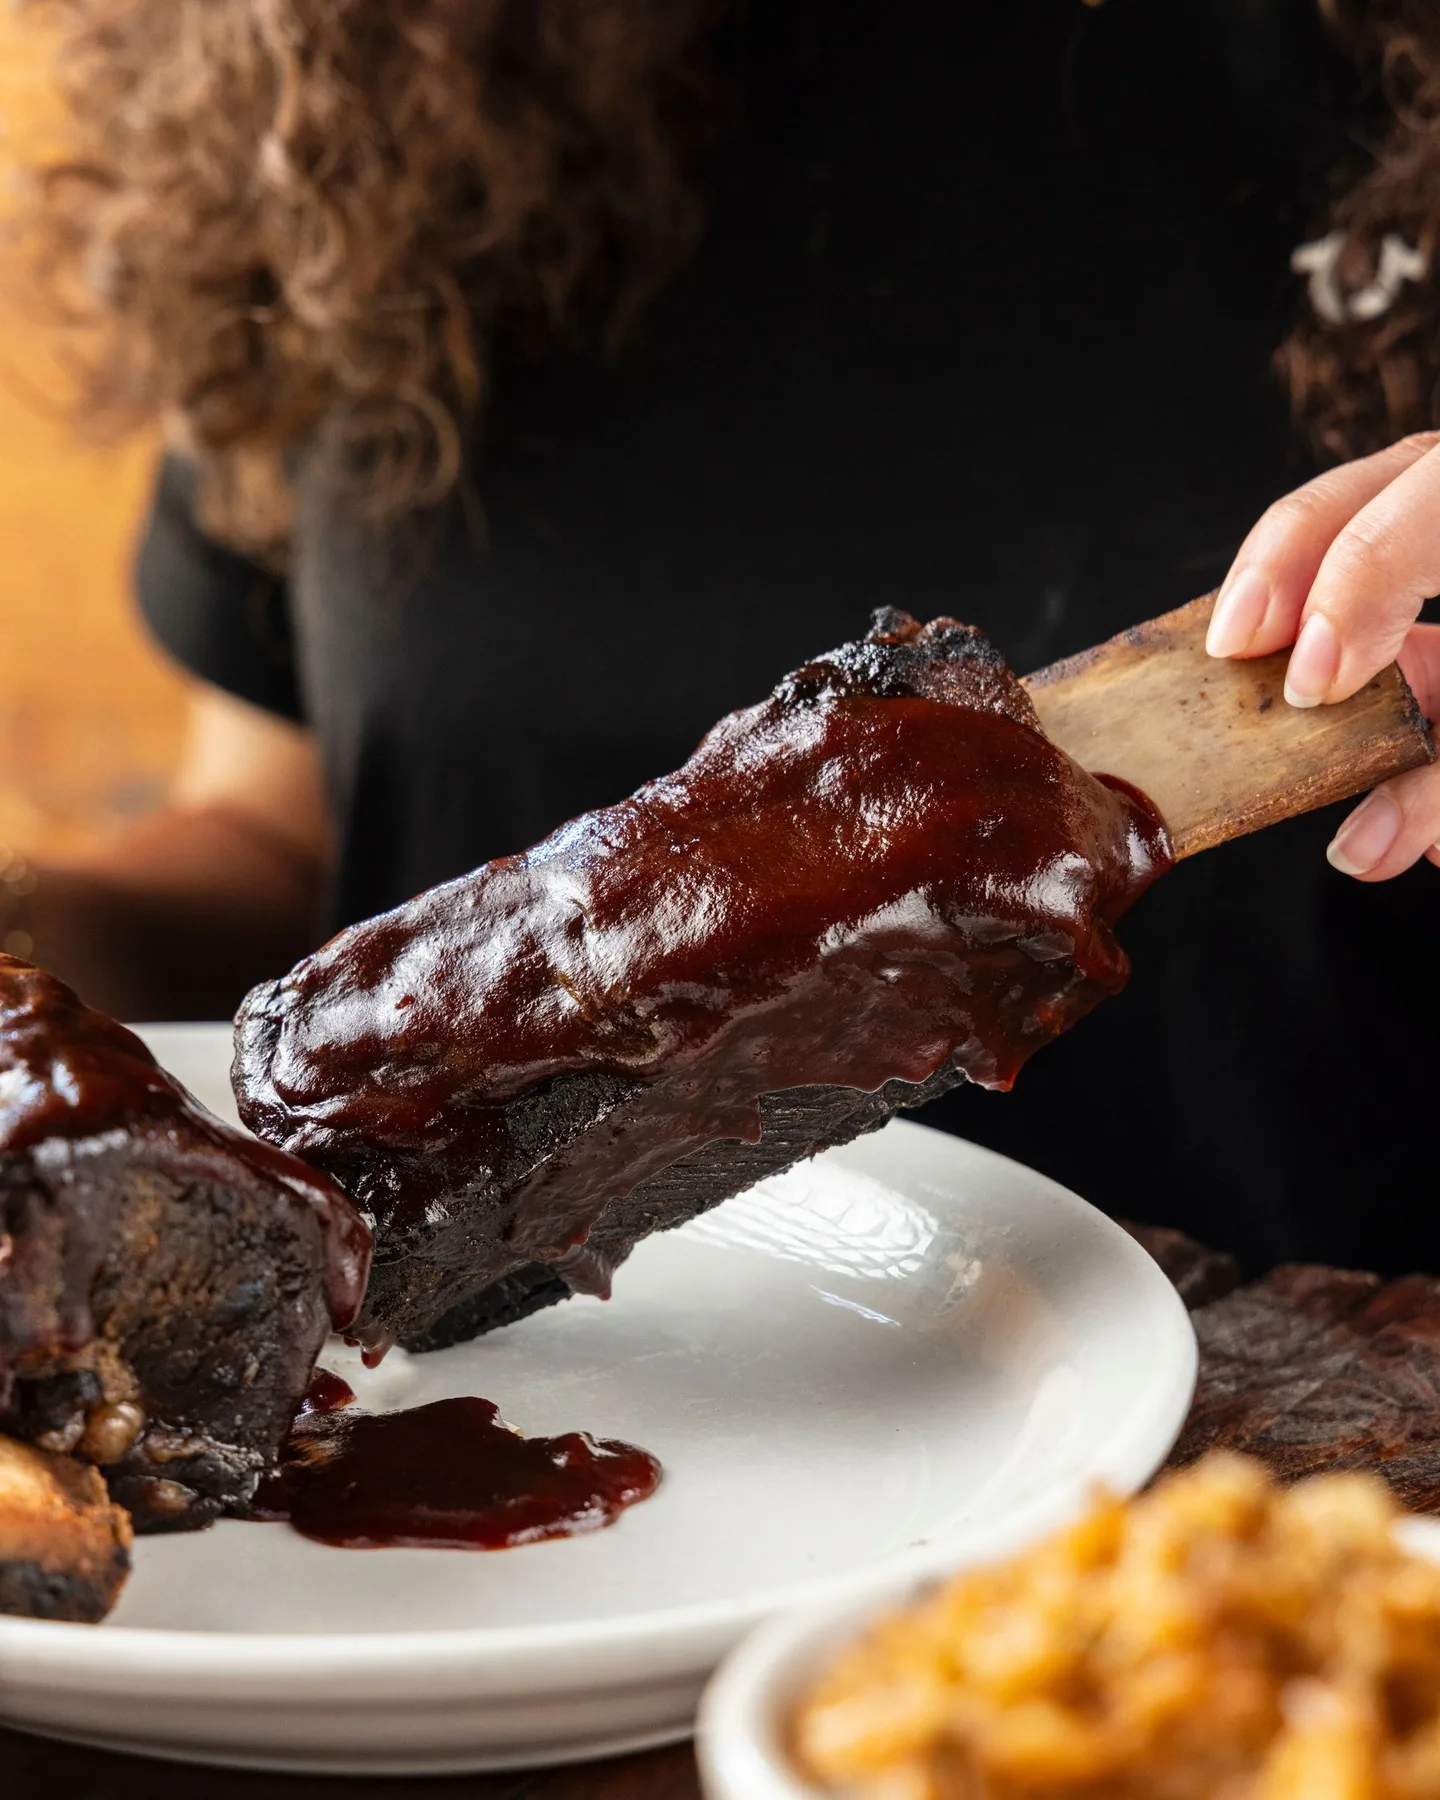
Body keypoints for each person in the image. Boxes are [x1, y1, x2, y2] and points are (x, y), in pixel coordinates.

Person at [5, 0, 1440, 1272]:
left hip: (1313, 1500)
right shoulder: (338, 67)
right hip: (555, 1496)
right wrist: (30, 958)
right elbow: (272, 843)